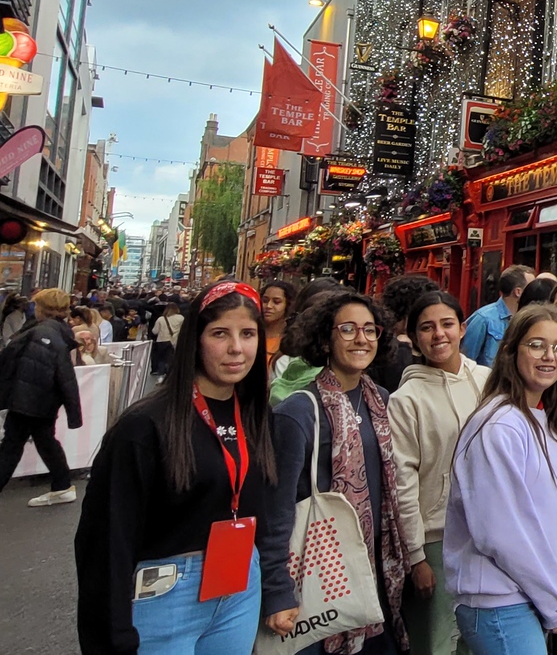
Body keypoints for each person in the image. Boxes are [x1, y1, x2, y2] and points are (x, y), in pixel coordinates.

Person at [74, 281, 286, 655]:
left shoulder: (257, 418)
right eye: (220, 333)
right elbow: (107, 538)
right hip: (165, 594)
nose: (236, 348)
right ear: (195, 339)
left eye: (248, 334)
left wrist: (275, 586)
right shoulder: (145, 426)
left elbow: (267, 514)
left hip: (239, 589)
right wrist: (113, 634)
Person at [266, 290, 415, 653]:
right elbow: (277, 509)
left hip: (374, 572)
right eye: (347, 329)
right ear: (325, 339)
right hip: (320, 575)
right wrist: (277, 591)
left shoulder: (379, 399)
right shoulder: (298, 412)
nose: (361, 338)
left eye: (370, 329)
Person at [444, 303, 557, 655]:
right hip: (498, 601)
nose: (549, 356)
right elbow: (501, 532)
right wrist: (554, 599)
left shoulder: (556, 425)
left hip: (536, 598)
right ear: (511, 351)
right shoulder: (498, 426)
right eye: (536, 345)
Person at [389, 291, 493, 655]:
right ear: (414, 337)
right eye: (427, 327)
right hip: (436, 539)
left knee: (480, 640)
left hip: (489, 533)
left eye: (447, 324)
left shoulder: (488, 381)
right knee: (436, 643)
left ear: (462, 328)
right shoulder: (406, 399)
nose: (438, 335)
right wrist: (415, 555)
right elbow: (403, 482)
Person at [0, 288, 84, 518]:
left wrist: (11, 399)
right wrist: (72, 411)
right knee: (45, 442)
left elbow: (26, 369)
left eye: (36, 305)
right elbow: (64, 376)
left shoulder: (41, 333)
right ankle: (62, 486)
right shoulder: (55, 332)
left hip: (28, 400)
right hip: (41, 400)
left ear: (43, 308)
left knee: (12, 448)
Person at [464, 265, 533, 367]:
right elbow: (466, 360)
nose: (534, 291)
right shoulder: (483, 318)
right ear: (518, 292)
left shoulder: (526, 319)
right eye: (530, 288)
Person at [262, 280, 298, 365]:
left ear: (288, 305)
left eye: (276, 302)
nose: (268, 306)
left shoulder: (292, 339)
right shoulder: (252, 332)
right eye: (265, 300)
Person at [150, 303, 183, 378]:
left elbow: (155, 331)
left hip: (162, 340)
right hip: (174, 341)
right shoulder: (181, 318)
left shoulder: (161, 319)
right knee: (171, 358)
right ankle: (170, 374)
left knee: (161, 359)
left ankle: (160, 375)